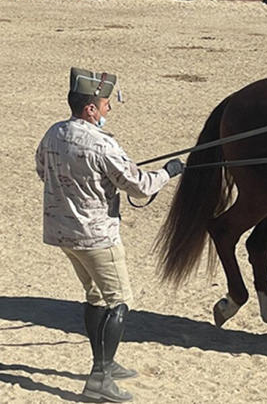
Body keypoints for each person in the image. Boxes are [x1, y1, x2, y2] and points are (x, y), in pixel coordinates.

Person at [35, 68, 184, 402]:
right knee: (119, 301)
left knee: (95, 297)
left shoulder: (53, 133)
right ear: (90, 108)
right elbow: (141, 187)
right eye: (104, 105)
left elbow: (41, 169)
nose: (107, 111)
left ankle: (106, 362)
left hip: (62, 233)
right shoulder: (103, 144)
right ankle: (99, 378)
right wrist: (169, 172)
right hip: (96, 237)